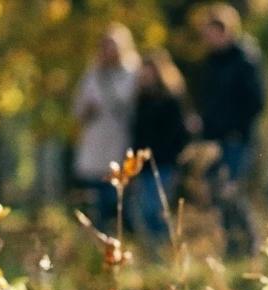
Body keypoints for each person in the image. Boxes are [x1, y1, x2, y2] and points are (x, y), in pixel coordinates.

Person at [196, 3, 266, 257]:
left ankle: (249, 242)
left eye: (214, 32)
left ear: (227, 31)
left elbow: (256, 101)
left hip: (236, 138)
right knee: (218, 192)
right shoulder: (210, 63)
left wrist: (237, 128)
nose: (210, 38)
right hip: (213, 140)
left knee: (231, 190)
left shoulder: (245, 59)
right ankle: (233, 244)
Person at [72, 24, 140, 231]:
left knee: (119, 200)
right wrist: (88, 110)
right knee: (97, 203)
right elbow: (77, 110)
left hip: (121, 142)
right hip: (96, 145)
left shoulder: (133, 74)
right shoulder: (93, 75)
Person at [130, 50, 192, 249]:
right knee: (145, 211)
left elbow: (179, 135)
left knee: (157, 210)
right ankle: (155, 250)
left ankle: (164, 248)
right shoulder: (141, 100)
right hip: (144, 166)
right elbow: (137, 136)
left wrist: (176, 163)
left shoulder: (170, 100)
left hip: (165, 164)